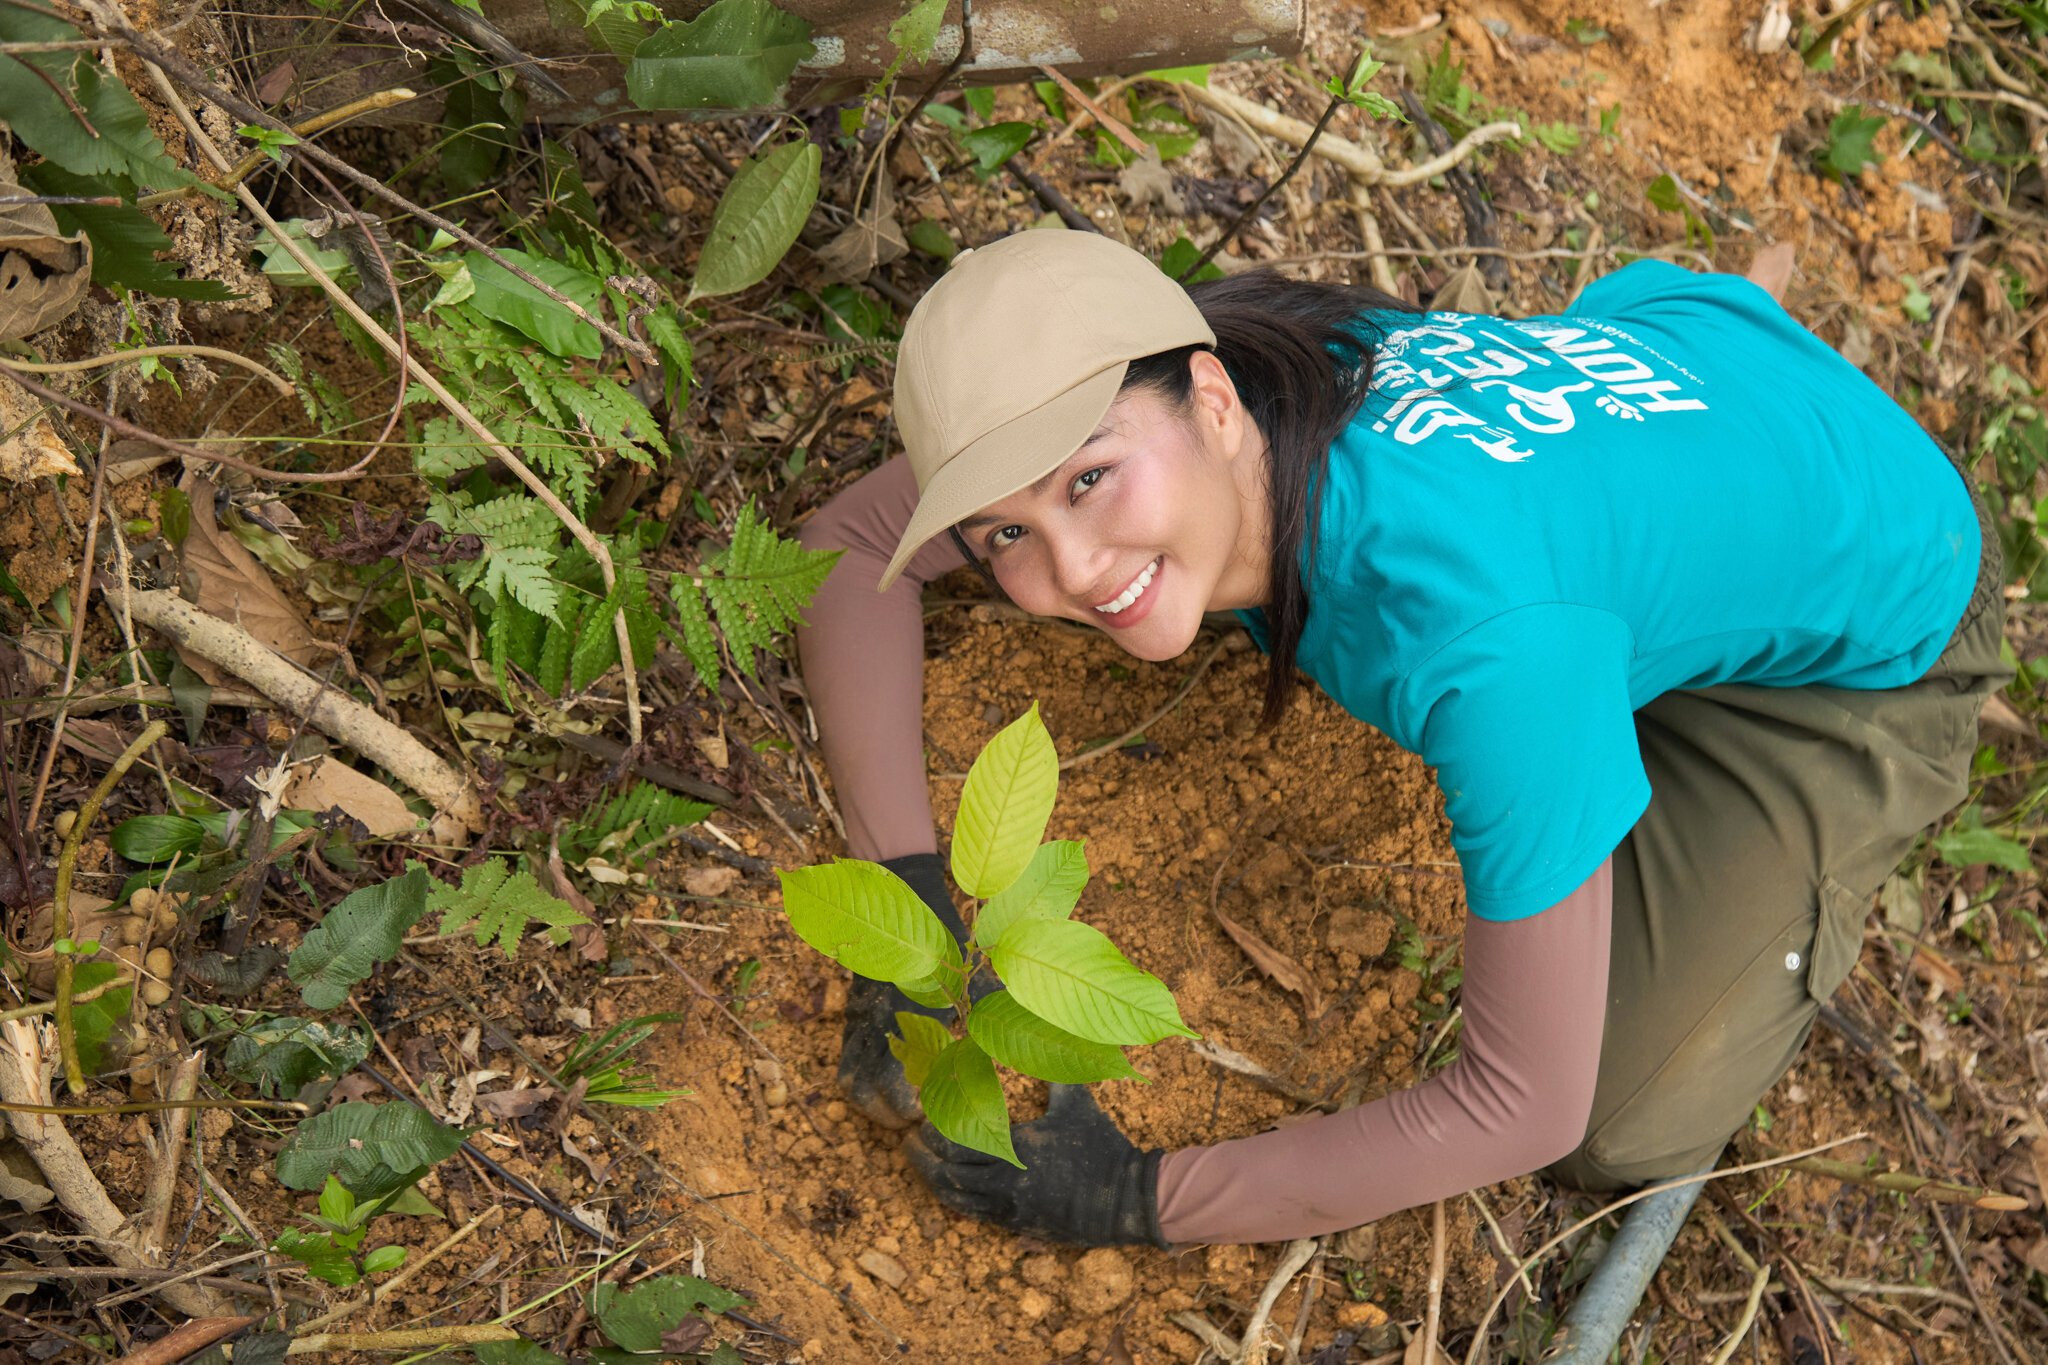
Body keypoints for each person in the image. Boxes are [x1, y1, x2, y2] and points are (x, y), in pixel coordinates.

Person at [792, 228, 2009, 1248]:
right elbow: (843, 549)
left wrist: (1139, 1198)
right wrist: (904, 898)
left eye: (1087, 485)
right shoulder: (1221, 364)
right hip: (1682, 390)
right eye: (1003, 536)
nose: (1068, 571)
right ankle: (1646, 613)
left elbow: (1520, 1104)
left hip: (1873, 616)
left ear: (1209, 402)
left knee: (1616, 1122)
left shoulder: (1476, 640)